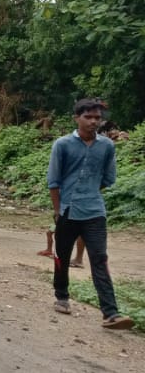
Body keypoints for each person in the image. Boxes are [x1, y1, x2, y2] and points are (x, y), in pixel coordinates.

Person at [48, 99, 134, 329]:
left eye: (97, 118)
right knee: (62, 255)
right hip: (67, 210)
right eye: (89, 117)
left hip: (95, 211)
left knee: (99, 258)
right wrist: (58, 210)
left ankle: (110, 312)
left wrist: (89, 192)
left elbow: (109, 178)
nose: (94, 121)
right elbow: (53, 181)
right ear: (77, 118)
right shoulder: (63, 145)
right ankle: (62, 296)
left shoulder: (106, 146)